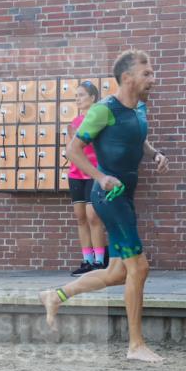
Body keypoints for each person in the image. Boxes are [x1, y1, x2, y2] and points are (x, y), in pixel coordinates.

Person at [39, 50, 169, 363]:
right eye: (147, 74)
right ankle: (136, 345)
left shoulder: (140, 107)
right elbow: (73, 150)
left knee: (117, 273)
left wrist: (154, 154)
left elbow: (138, 140)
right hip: (108, 196)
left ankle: (55, 296)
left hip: (125, 194)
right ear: (128, 78)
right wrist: (101, 176)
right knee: (139, 267)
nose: (154, 79)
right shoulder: (102, 110)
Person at [66, 80, 108, 275]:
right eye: (76, 95)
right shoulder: (72, 124)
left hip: (93, 172)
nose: (78, 99)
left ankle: (100, 261)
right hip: (76, 174)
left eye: (82, 95)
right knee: (81, 218)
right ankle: (87, 260)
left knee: (93, 217)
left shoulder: (98, 120)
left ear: (93, 98)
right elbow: (71, 150)